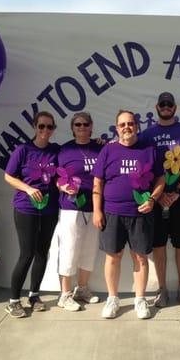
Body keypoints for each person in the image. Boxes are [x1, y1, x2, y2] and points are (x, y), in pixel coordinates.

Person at [92, 110, 165, 319]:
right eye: (122, 124)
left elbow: (160, 180)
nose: (127, 127)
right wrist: (97, 210)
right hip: (112, 213)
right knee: (113, 257)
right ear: (117, 128)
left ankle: (140, 300)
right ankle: (112, 299)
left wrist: (152, 199)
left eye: (130, 123)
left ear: (137, 126)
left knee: (141, 257)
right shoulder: (108, 150)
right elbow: (98, 182)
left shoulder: (149, 150)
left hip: (140, 214)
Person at [139, 92, 180, 307]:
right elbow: (137, 159)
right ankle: (162, 290)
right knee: (158, 245)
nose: (165, 107)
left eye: (169, 104)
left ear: (175, 107)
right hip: (156, 199)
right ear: (156, 107)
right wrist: (158, 195)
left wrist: (178, 191)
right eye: (162, 104)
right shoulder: (147, 134)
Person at [4, 111, 60, 318]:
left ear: (54, 129)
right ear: (35, 127)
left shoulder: (56, 150)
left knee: (42, 253)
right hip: (25, 208)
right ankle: (13, 301)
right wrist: (27, 189)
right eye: (41, 126)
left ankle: (34, 295)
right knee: (26, 253)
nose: (45, 130)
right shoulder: (23, 150)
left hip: (49, 209)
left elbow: (68, 163)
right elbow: (8, 176)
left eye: (49, 127)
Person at [55, 112, 103, 312]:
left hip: (94, 206)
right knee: (69, 249)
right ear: (72, 128)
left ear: (91, 126)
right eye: (77, 125)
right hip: (71, 207)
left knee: (89, 250)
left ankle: (81, 289)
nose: (81, 127)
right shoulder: (64, 150)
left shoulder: (100, 147)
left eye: (85, 124)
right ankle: (64, 295)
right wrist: (62, 187)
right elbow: (56, 177)